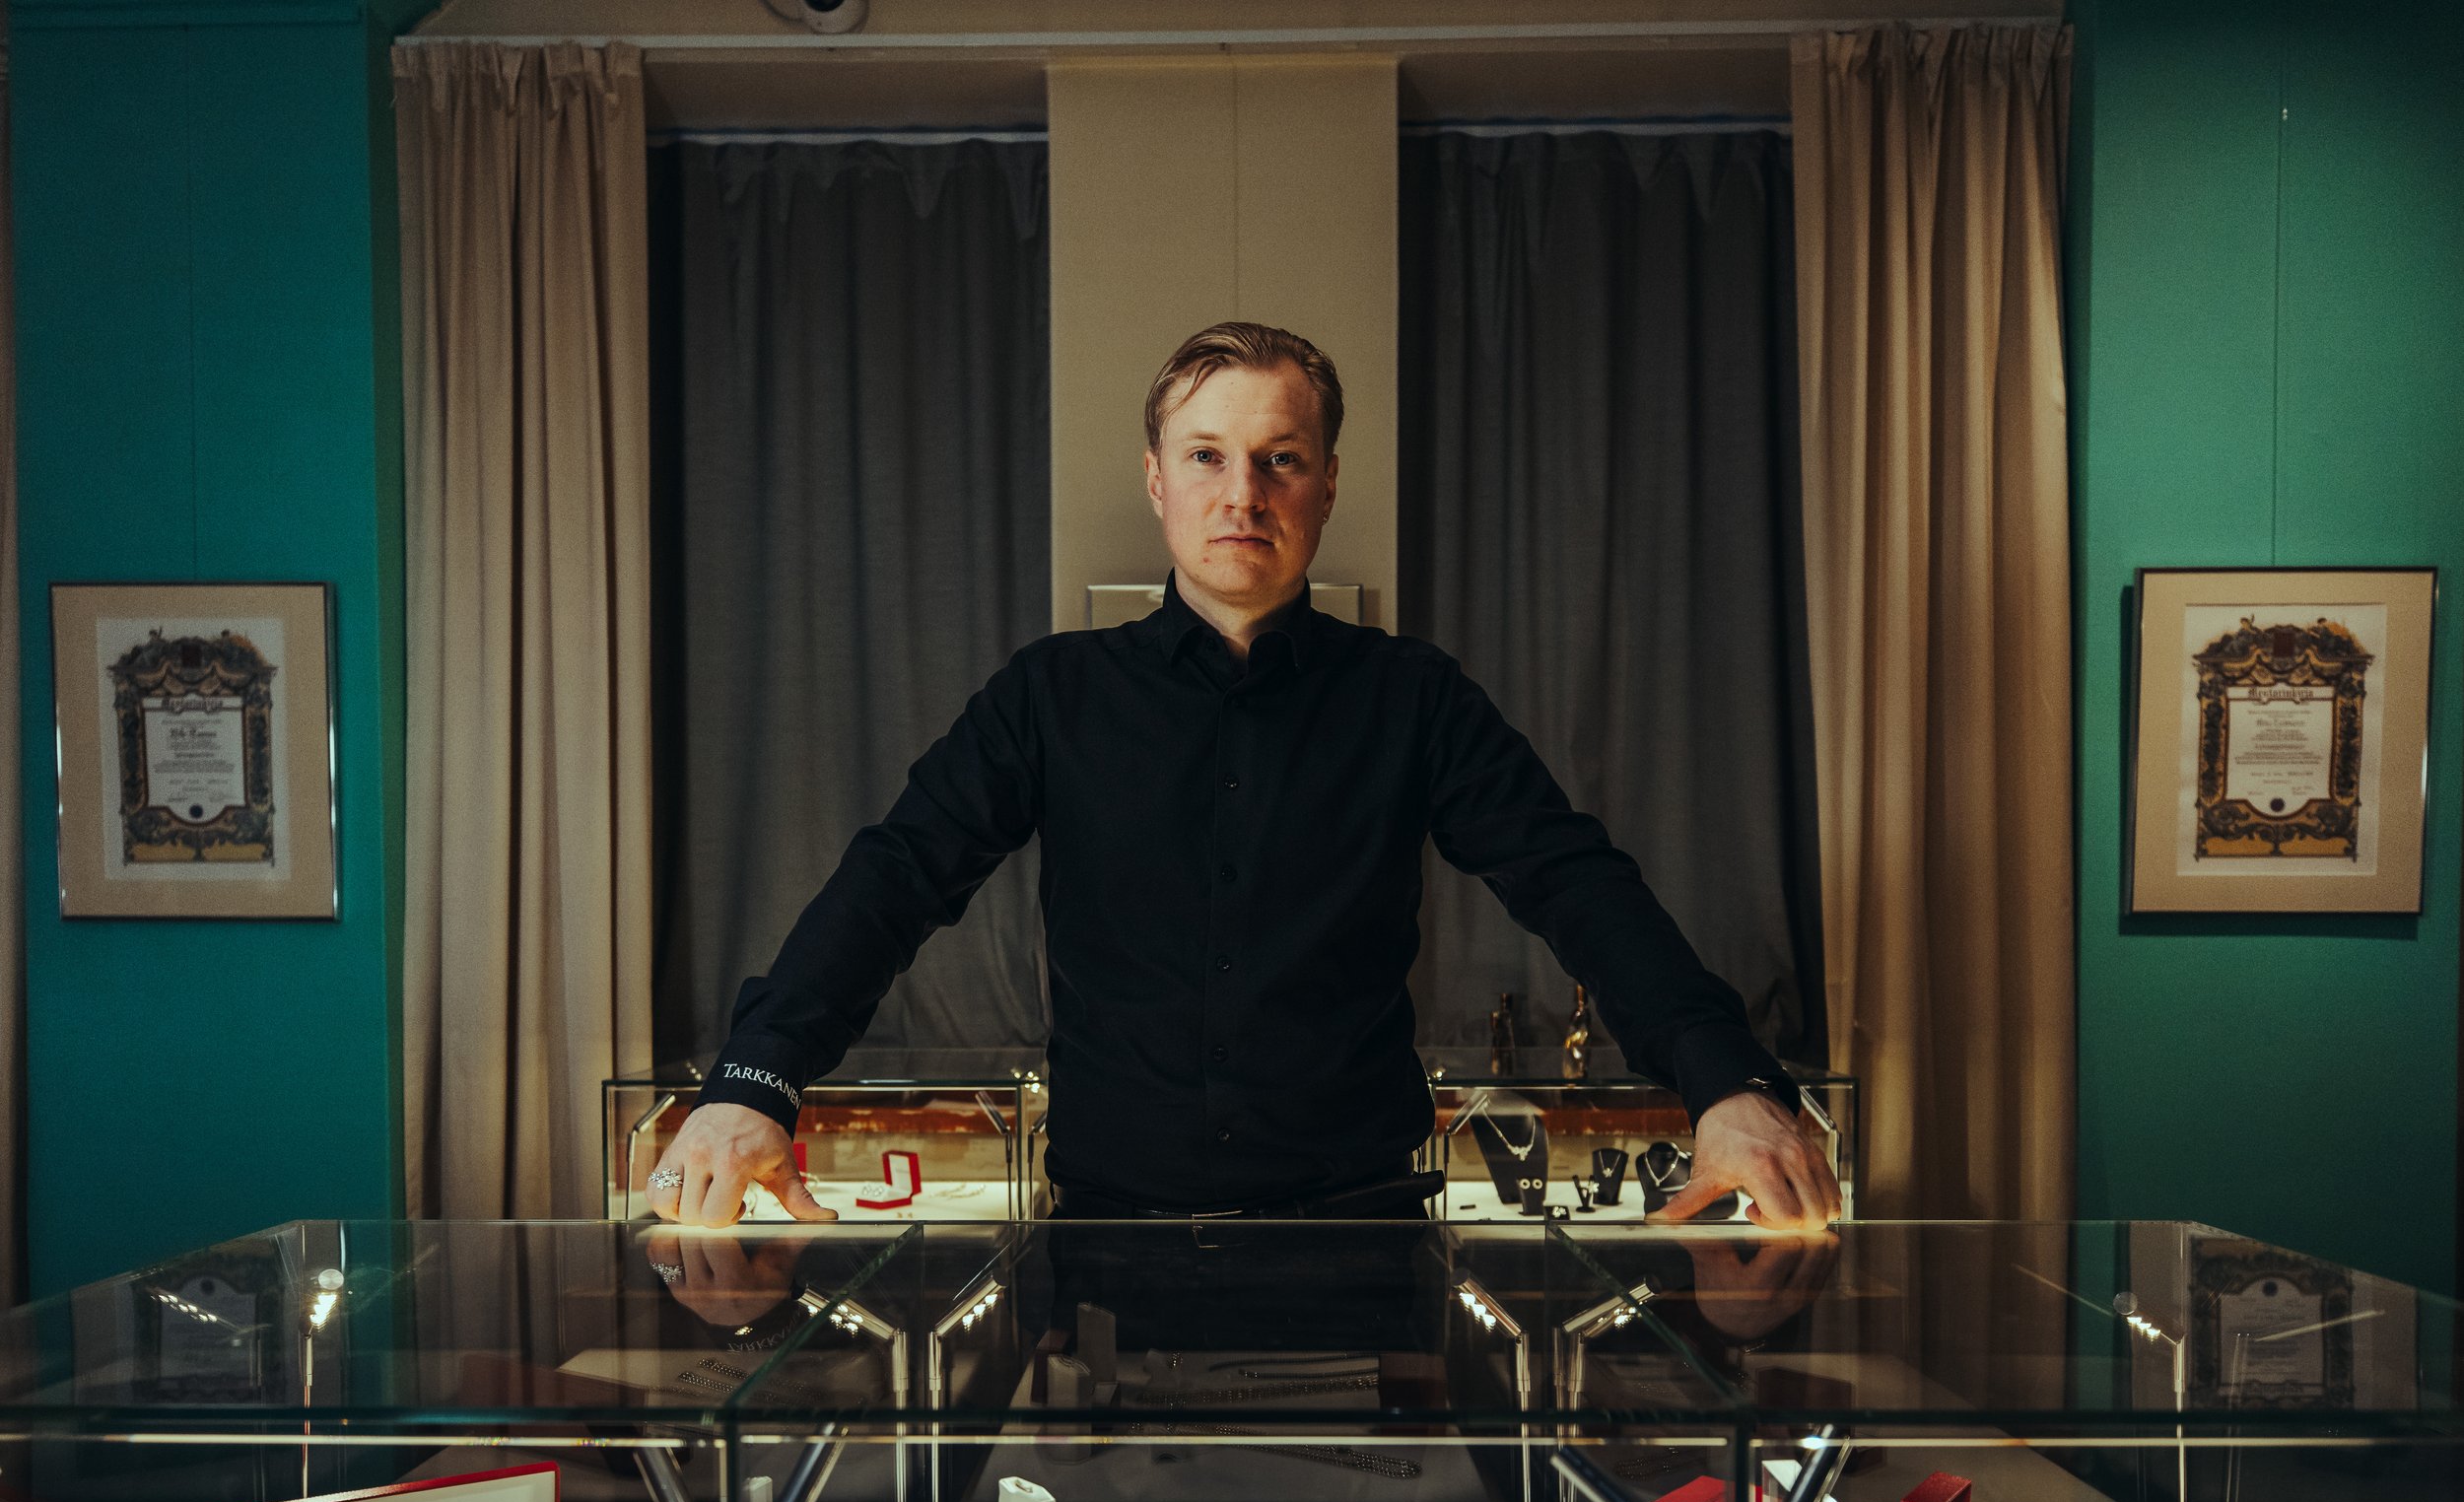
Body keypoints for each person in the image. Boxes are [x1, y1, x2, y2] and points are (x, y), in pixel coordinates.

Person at [650, 322, 1840, 1232]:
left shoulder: (1412, 695)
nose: (1244, 492)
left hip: (1361, 1230)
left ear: (1325, 483)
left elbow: (1575, 882)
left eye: (1280, 459)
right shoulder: (1051, 694)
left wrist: (1725, 1081)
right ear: (1158, 481)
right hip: (1111, 1240)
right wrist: (757, 1080)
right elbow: (896, 878)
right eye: (1208, 455)